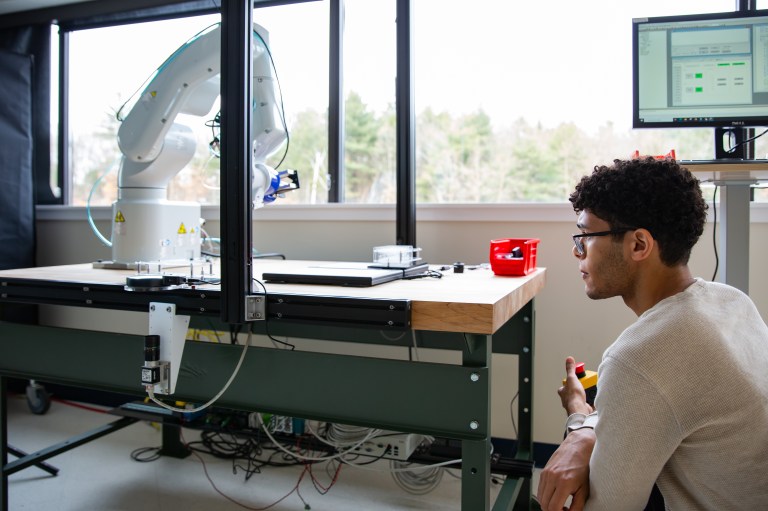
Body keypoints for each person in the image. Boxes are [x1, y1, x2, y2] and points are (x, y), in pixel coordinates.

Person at [537, 157, 768, 511]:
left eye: (585, 236)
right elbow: (658, 399)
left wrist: (577, 417)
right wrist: (586, 429)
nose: (576, 250)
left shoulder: (638, 357)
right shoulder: (732, 301)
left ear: (639, 245)